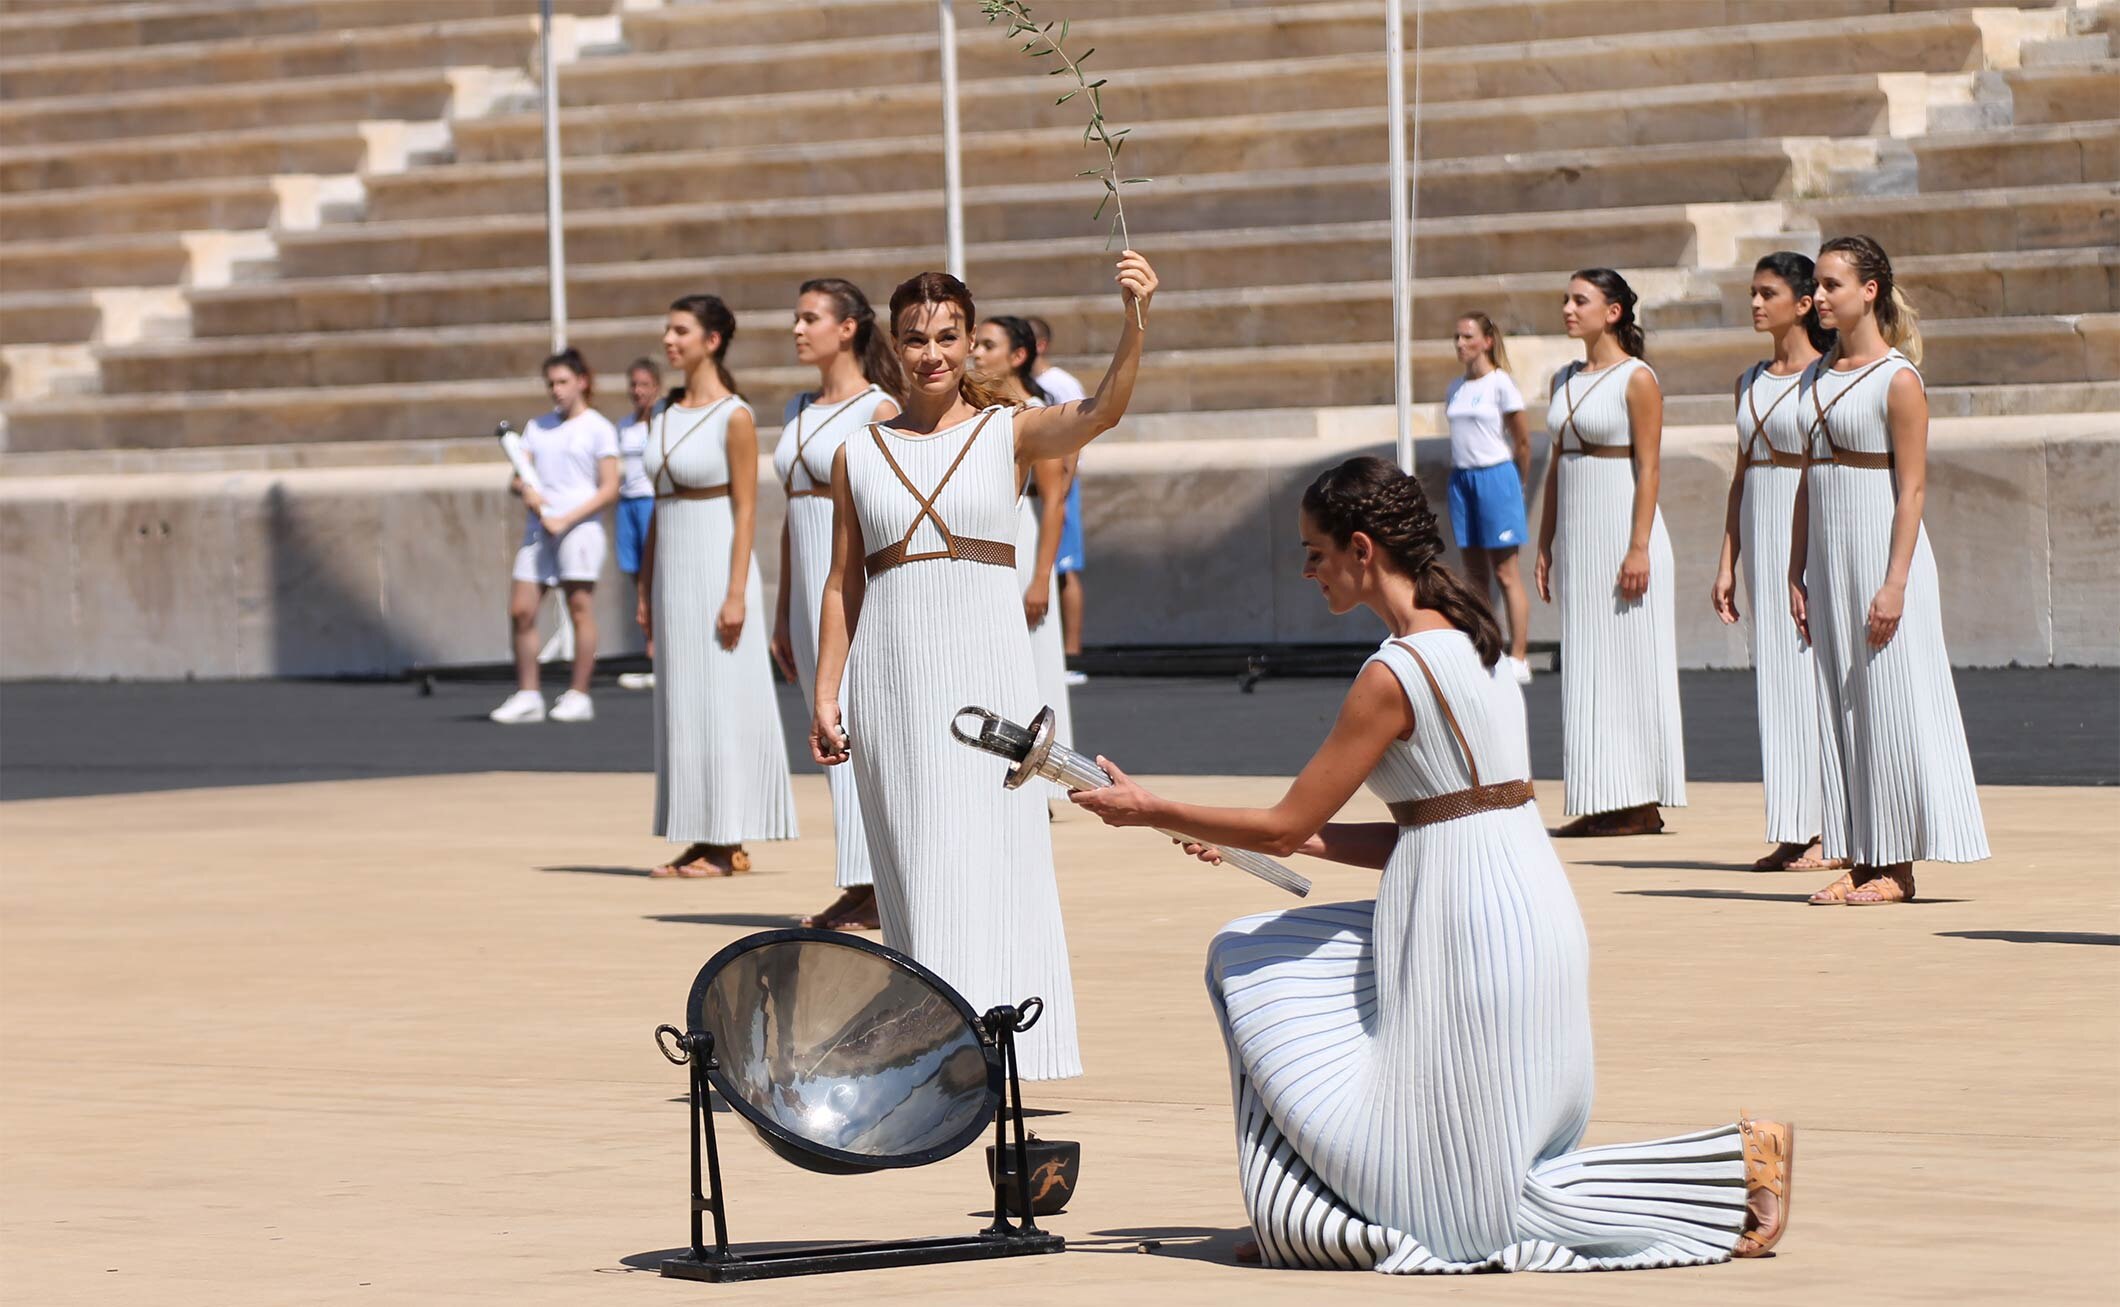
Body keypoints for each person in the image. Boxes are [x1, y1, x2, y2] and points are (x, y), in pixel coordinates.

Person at [1071, 455, 1793, 1273]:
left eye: (1314, 552)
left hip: (1473, 941)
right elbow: (1433, 828)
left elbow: (1283, 824)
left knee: (1479, 1218)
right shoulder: (1474, 636)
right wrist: (1276, 840)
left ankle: (1732, 1170)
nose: (1307, 570)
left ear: (1362, 547)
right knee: (1261, 967)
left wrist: (1147, 808)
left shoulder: (1393, 672)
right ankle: (1305, 1213)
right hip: (1521, 917)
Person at [810, 254, 1160, 1081]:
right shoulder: (855, 454)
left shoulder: (1012, 432)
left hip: (986, 674)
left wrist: (1135, 318)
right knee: (917, 861)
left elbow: (1104, 409)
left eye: (947, 336)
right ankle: (936, 1051)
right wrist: (827, 691)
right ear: (893, 347)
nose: (931, 353)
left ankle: (1001, 1043)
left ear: (972, 343)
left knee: (992, 854)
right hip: (892, 677)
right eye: (914, 338)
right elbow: (841, 582)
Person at [1790, 235, 1988, 905]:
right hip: (1829, 555)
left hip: (1883, 554)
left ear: (1868, 290)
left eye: (1831, 284)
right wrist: (1797, 569)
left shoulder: (1898, 378)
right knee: (1841, 706)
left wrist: (1896, 581)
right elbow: (1805, 479)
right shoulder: (1817, 375)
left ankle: (1897, 865)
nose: (1817, 296)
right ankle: (1861, 851)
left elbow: (1912, 490)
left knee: (1888, 699)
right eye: (1816, 284)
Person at [638, 294, 797, 878]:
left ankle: (729, 840)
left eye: (680, 330)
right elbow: (656, 506)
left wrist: (735, 593)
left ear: (712, 340)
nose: (669, 340)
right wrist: (644, 587)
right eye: (667, 328)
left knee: (720, 698)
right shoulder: (662, 412)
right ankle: (701, 832)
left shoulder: (735, 415)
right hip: (672, 572)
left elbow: (749, 511)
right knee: (682, 702)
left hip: (716, 568)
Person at [1533, 268, 1685, 835]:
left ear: (1613, 311)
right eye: (1566, 299)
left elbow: (1648, 468)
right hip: (1581, 538)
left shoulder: (1637, 379)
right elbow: (1557, 466)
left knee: (1628, 666)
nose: (1569, 309)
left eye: (1580, 300)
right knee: (1590, 669)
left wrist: (1638, 546)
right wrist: (1546, 541)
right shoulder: (1563, 379)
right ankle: (1603, 797)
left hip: (1624, 537)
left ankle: (1640, 801)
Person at [773, 277, 902, 929]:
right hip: (805, 589)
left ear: (848, 326)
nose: (798, 329)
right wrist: (780, 607)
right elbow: (790, 516)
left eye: (810, 318)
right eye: (796, 318)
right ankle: (858, 876)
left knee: (855, 728)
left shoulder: (878, 408)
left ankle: (882, 879)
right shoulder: (800, 406)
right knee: (825, 732)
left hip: (850, 588)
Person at [1711, 254, 1843, 873]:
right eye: (1752, 293)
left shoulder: (1826, 375)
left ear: (1802, 303)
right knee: (1777, 686)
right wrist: (1727, 561)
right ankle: (1794, 825)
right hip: (1761, 536)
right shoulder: (1747, 380)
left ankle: (1827, 828)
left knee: (1809, 681)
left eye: (1769, 293)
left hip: (1808, 533)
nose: (1757, 303)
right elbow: (1740, 476)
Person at [490, 348, 618, 725]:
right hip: (538, 531)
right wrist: (523, 490)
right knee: (521, 610)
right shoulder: (536, 427)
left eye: (563, 382)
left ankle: (579, 694)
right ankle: (529, 694)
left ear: (582, 382)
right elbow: (520, 476)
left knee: (580, 608)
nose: (557, 390)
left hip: (578, 529)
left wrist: (567, 519)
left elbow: (609, 487)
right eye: (551, 384)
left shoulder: (599, 428)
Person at [972, 313, 1074, 750]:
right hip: (986, 534)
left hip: (1024, 537)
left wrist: (1040, 578)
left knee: (1034, 657)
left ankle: (1044, 768)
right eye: (975, 343)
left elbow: (1054, 500)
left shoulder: (1038, 415)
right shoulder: (977, 413)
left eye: (988, 345)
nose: (976, 352)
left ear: (1018, 356)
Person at [1443, 312, 1533, 684]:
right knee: (1474, 573)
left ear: (1486, 341)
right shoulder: (1454, 388)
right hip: (1462, 479)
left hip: (1496, 475)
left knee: (1505, 572)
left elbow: (1522, 441)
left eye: (1467, 337)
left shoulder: (1501, 385)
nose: (1461, 344)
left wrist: (1516, 484)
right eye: (1457, 337)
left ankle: (1519, 655)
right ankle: (1484, 647)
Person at [1029, 315, 1090, 683]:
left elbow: (1077, 431)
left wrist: (1064, 485)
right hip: (1035, 487)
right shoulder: (1028, 386)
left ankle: (1073, 653)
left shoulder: (1060, 384)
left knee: (1065, 568)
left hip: (1061, 484)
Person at [615, 357, 662, 690]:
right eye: (633, 384)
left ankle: (658, 652)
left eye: (644, 384)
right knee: (636, 575)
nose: (638, 391)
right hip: (627, 502)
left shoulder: (660, 423)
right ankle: (650, 644)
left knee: (655, 574)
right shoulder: (623, 426)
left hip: (651, 502)